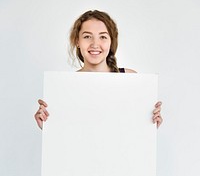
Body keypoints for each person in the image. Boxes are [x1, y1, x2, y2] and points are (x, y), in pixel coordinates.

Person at [34, 10, 163, 129]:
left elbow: (134, 131)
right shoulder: (65, 87)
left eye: (103, 37)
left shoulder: (131, 78)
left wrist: (149, 124)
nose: (95, 44)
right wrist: (47, 126)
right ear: (77, 41)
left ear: (111, 42)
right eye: (87, 36)